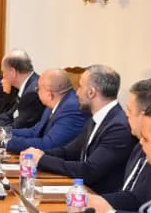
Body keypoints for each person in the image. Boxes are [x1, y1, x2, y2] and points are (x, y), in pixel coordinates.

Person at [24, 65, 135, 193]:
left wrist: (42, 160)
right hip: (81, 190)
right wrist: (37, 154)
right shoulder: (96, 118)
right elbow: (69, 152)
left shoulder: (118, 128)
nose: (77, 93)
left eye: (80, 87)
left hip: (98, 197)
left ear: (91, 92)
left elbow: (89, 171)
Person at [94, 78, 151, 213]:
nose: (126, 115)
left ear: (144, 117)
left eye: (130, 110)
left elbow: (139, 200)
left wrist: (93, 202)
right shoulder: (138, 145)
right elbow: (127, 192)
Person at [5, 69, 87, 153]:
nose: (37, 92)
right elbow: (36, 131)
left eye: (38, 89)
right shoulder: (55, 101)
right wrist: (4, 133)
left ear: (49, 95)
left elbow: (48, 145)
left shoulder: (72, 108)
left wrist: (6, 142)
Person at [0, 50, 43, 130]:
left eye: (3, 72)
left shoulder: (32, 93)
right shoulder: (27, 85)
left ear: (12, 72)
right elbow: (9, 116)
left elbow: (18, 126)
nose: (3, 76)